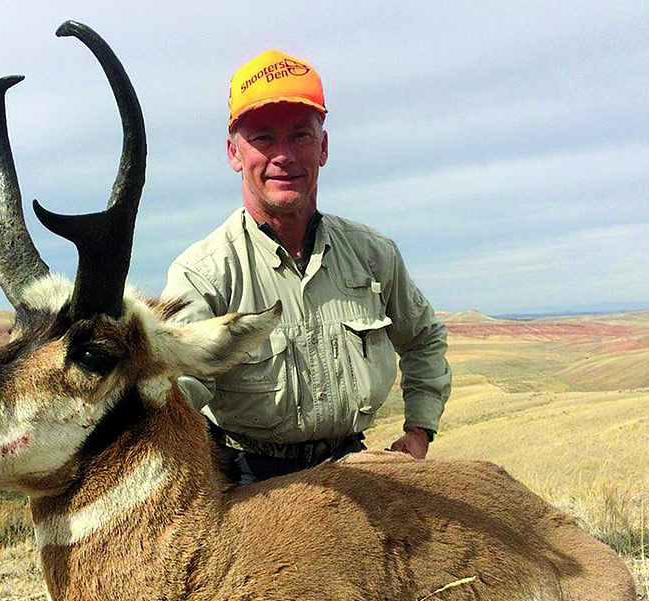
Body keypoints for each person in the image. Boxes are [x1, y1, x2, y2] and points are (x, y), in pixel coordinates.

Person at [162, 49, 451, 485]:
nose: (284, 156)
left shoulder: (374, 255)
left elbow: (423, 339)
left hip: (354, 469)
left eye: (300, 135)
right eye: (263, 138)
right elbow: (175, 392)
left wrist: (419, 431)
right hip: (248, 482)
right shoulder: (202, 275)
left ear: (324, 147)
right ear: (234, 153)